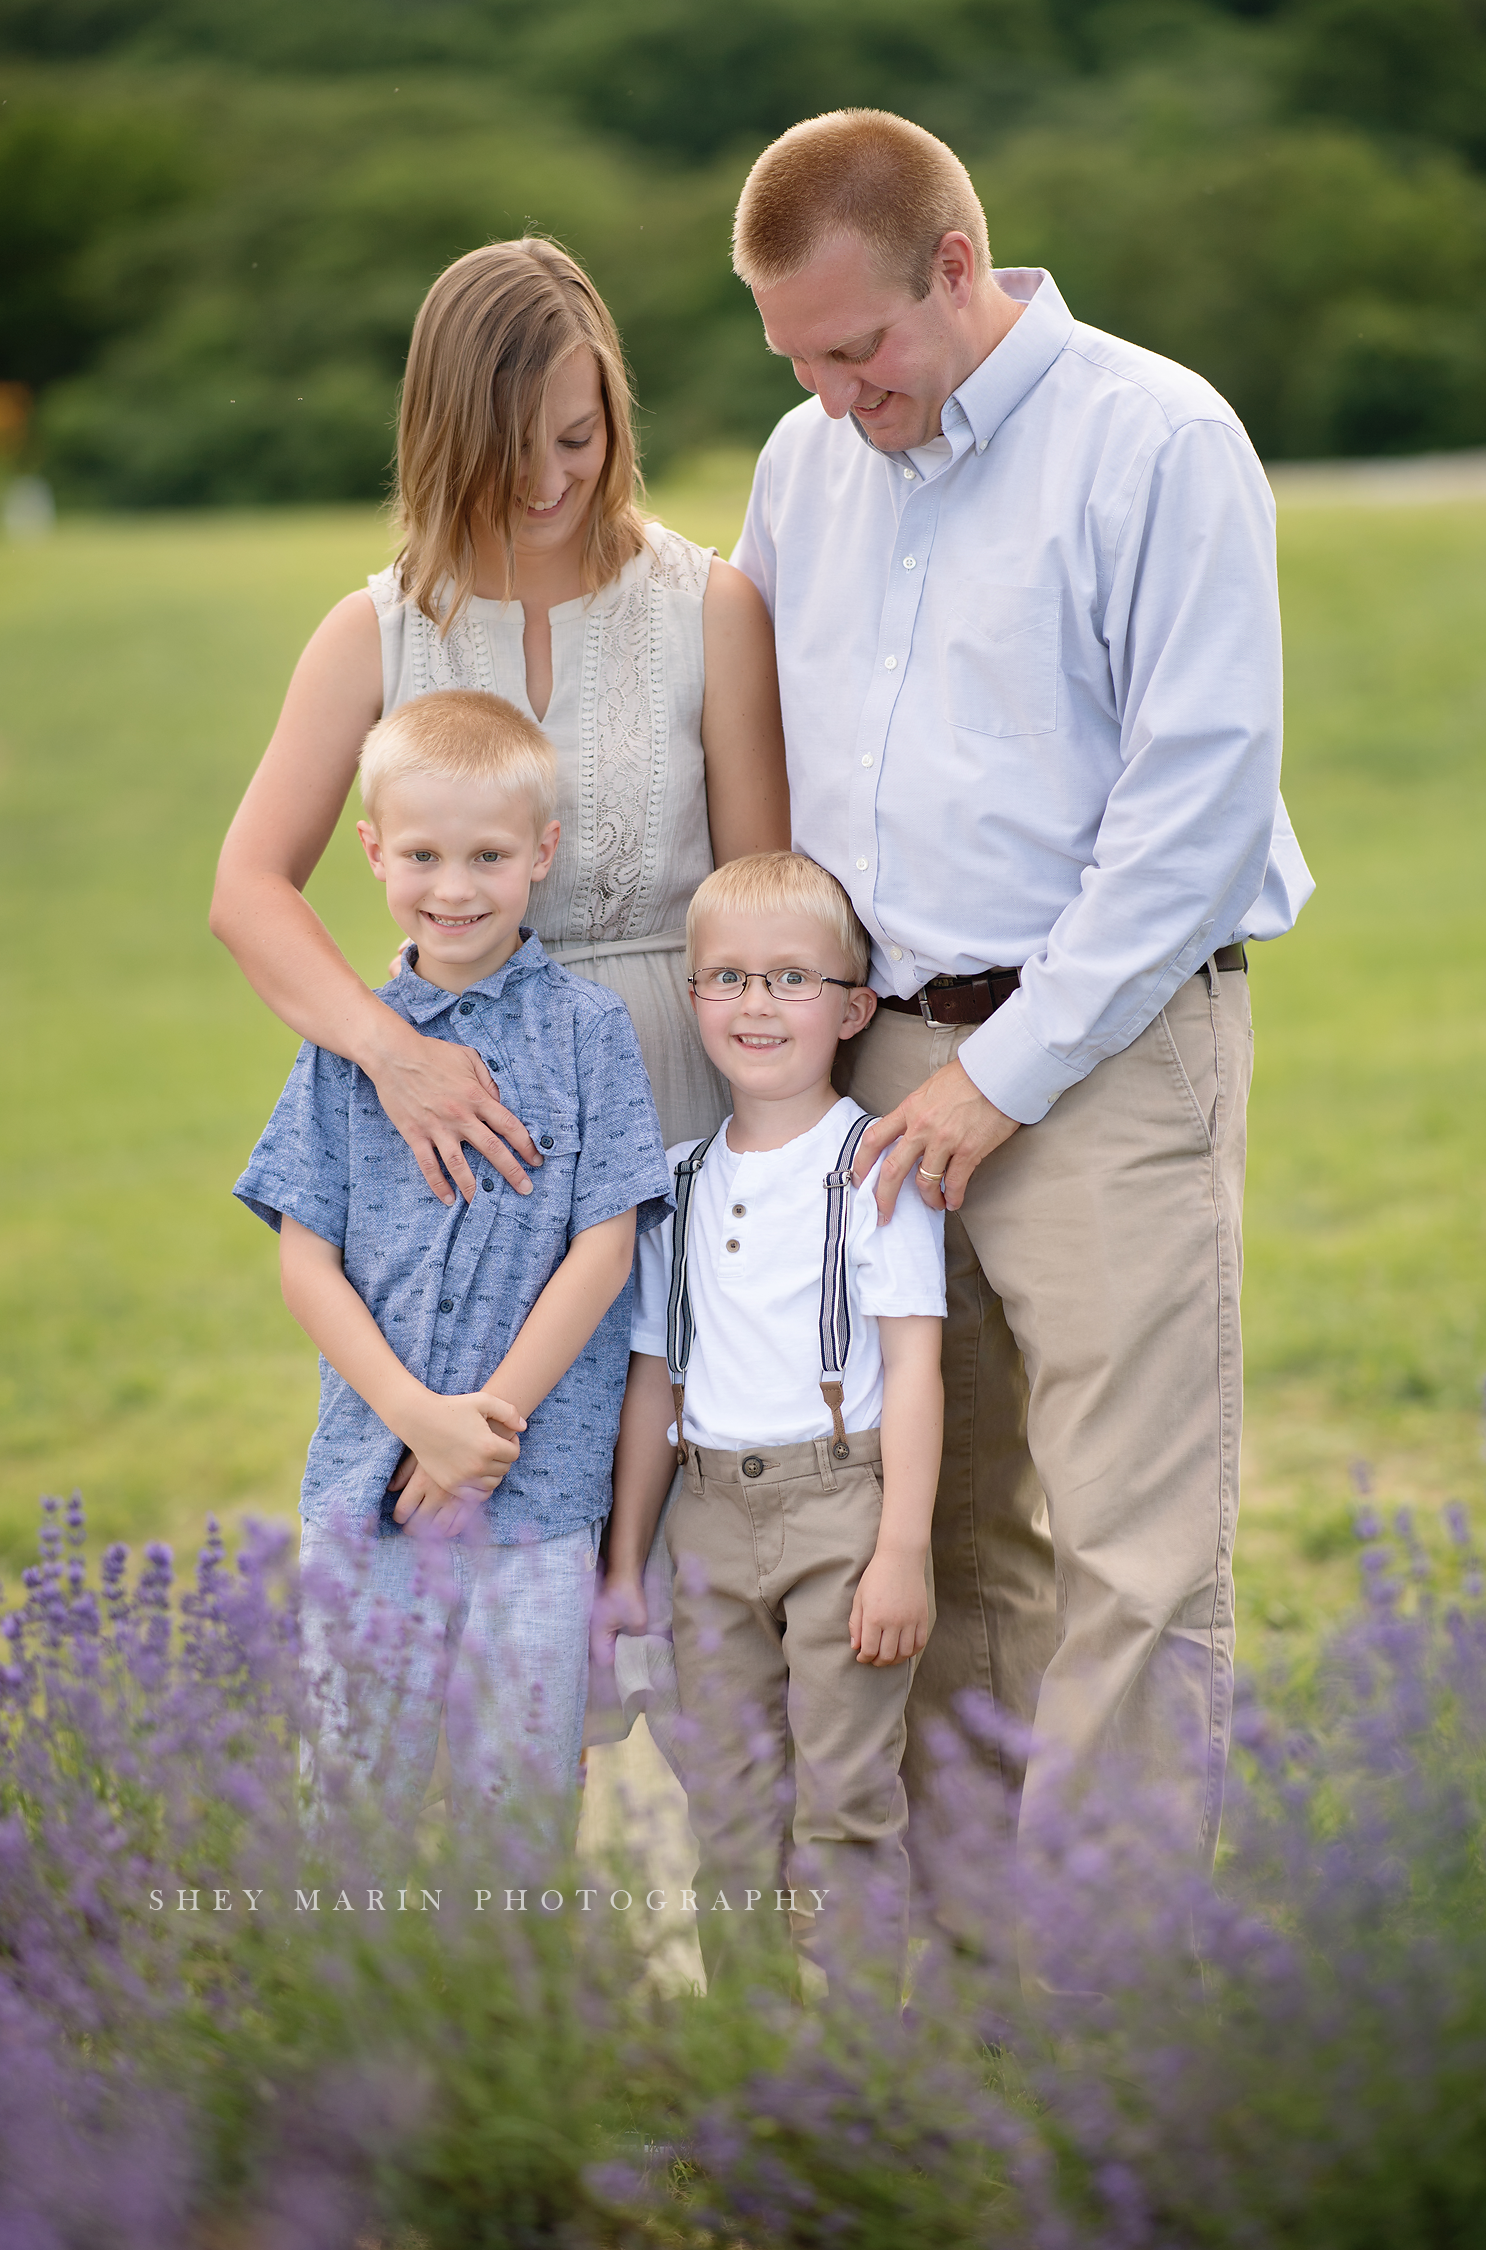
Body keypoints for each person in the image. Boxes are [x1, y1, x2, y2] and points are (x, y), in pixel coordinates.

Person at [728, 111, 1315, 1864]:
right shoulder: (799, 460)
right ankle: (966, 2022)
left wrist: (1007, 1076)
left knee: (1136, 1561)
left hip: (1111, 1052)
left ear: (959, 267)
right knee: (944, 1530)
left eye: (859, 347)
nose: (835, 393)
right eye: (797, 358)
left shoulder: (1156, 438)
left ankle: (1104, 2040)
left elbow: (1198, 809)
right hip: (873, 1065)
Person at [211, 236, 789, 1202]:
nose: (547, 483)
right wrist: (392, 1054)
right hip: (467, 1114)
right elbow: (247, 890)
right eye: (510, 450)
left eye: (576, 439)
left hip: (694, 1106)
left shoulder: (710, 608)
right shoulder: (375, 633)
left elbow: (765, 906)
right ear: (445, 434)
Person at [233, 689, 670, 1826]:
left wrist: (486, 1429)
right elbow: (305, 1264)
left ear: (543, 855)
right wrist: (413, 1419)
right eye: (423, 854)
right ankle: (352, 2010)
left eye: (488, 854)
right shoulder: (344, 1049)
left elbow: (605, 1244)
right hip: (367, 1488)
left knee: (516, 1814)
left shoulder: (587, 1032)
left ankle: (504, 2009)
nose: (456, 887)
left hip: (537, 1493)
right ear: (374, 852)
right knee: (351, 1808)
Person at [597, 852, 946, 1979]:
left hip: (841, 1511)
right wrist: (626, 1561)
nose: (756, 1004)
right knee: (731, 1812)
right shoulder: (677, 1179)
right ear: (691, 994)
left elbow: (919, 1369)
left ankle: (851, 2073)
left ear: (854, 1008)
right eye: (728, 978)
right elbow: (656, 1378)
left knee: (845, 1798)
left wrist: (901, 1550)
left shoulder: (872, 1169)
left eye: (792, 979)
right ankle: (747, 2074)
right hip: (704, 1521)